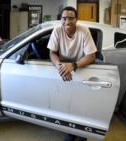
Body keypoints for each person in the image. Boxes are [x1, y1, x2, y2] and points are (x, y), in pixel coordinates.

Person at [47, 6, 97, 141]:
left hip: (81, 70)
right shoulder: (57, 30)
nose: (67, 22)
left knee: (81, 106)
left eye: (71, 18)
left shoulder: (83, 30)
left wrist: (73, 66)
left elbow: (91, 56)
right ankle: (70, 132)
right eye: (64, 18)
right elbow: (52, 53)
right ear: (61, 19)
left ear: (76, 20)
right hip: (64, 73)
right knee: (67, 105)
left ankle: (81, 134)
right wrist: (60, 67)